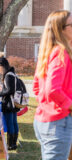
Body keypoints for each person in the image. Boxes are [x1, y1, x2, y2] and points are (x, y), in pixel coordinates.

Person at [33, 10, 72, 160]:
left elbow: (37, 87)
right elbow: (52, 89)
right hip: (57, 123)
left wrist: (46, 105)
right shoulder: (61, 53)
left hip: (46, 120)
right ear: (61, 30)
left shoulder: (48, 52)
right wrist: (69, 104)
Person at [0, 52, 19, 150]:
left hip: (9, 103)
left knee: (11, 123)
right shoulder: (12, 73)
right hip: (13, 103)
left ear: (1, 66)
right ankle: (13, 143)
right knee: (13, 122)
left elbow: (9, 90)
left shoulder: (8, 75)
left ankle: (11, 144)